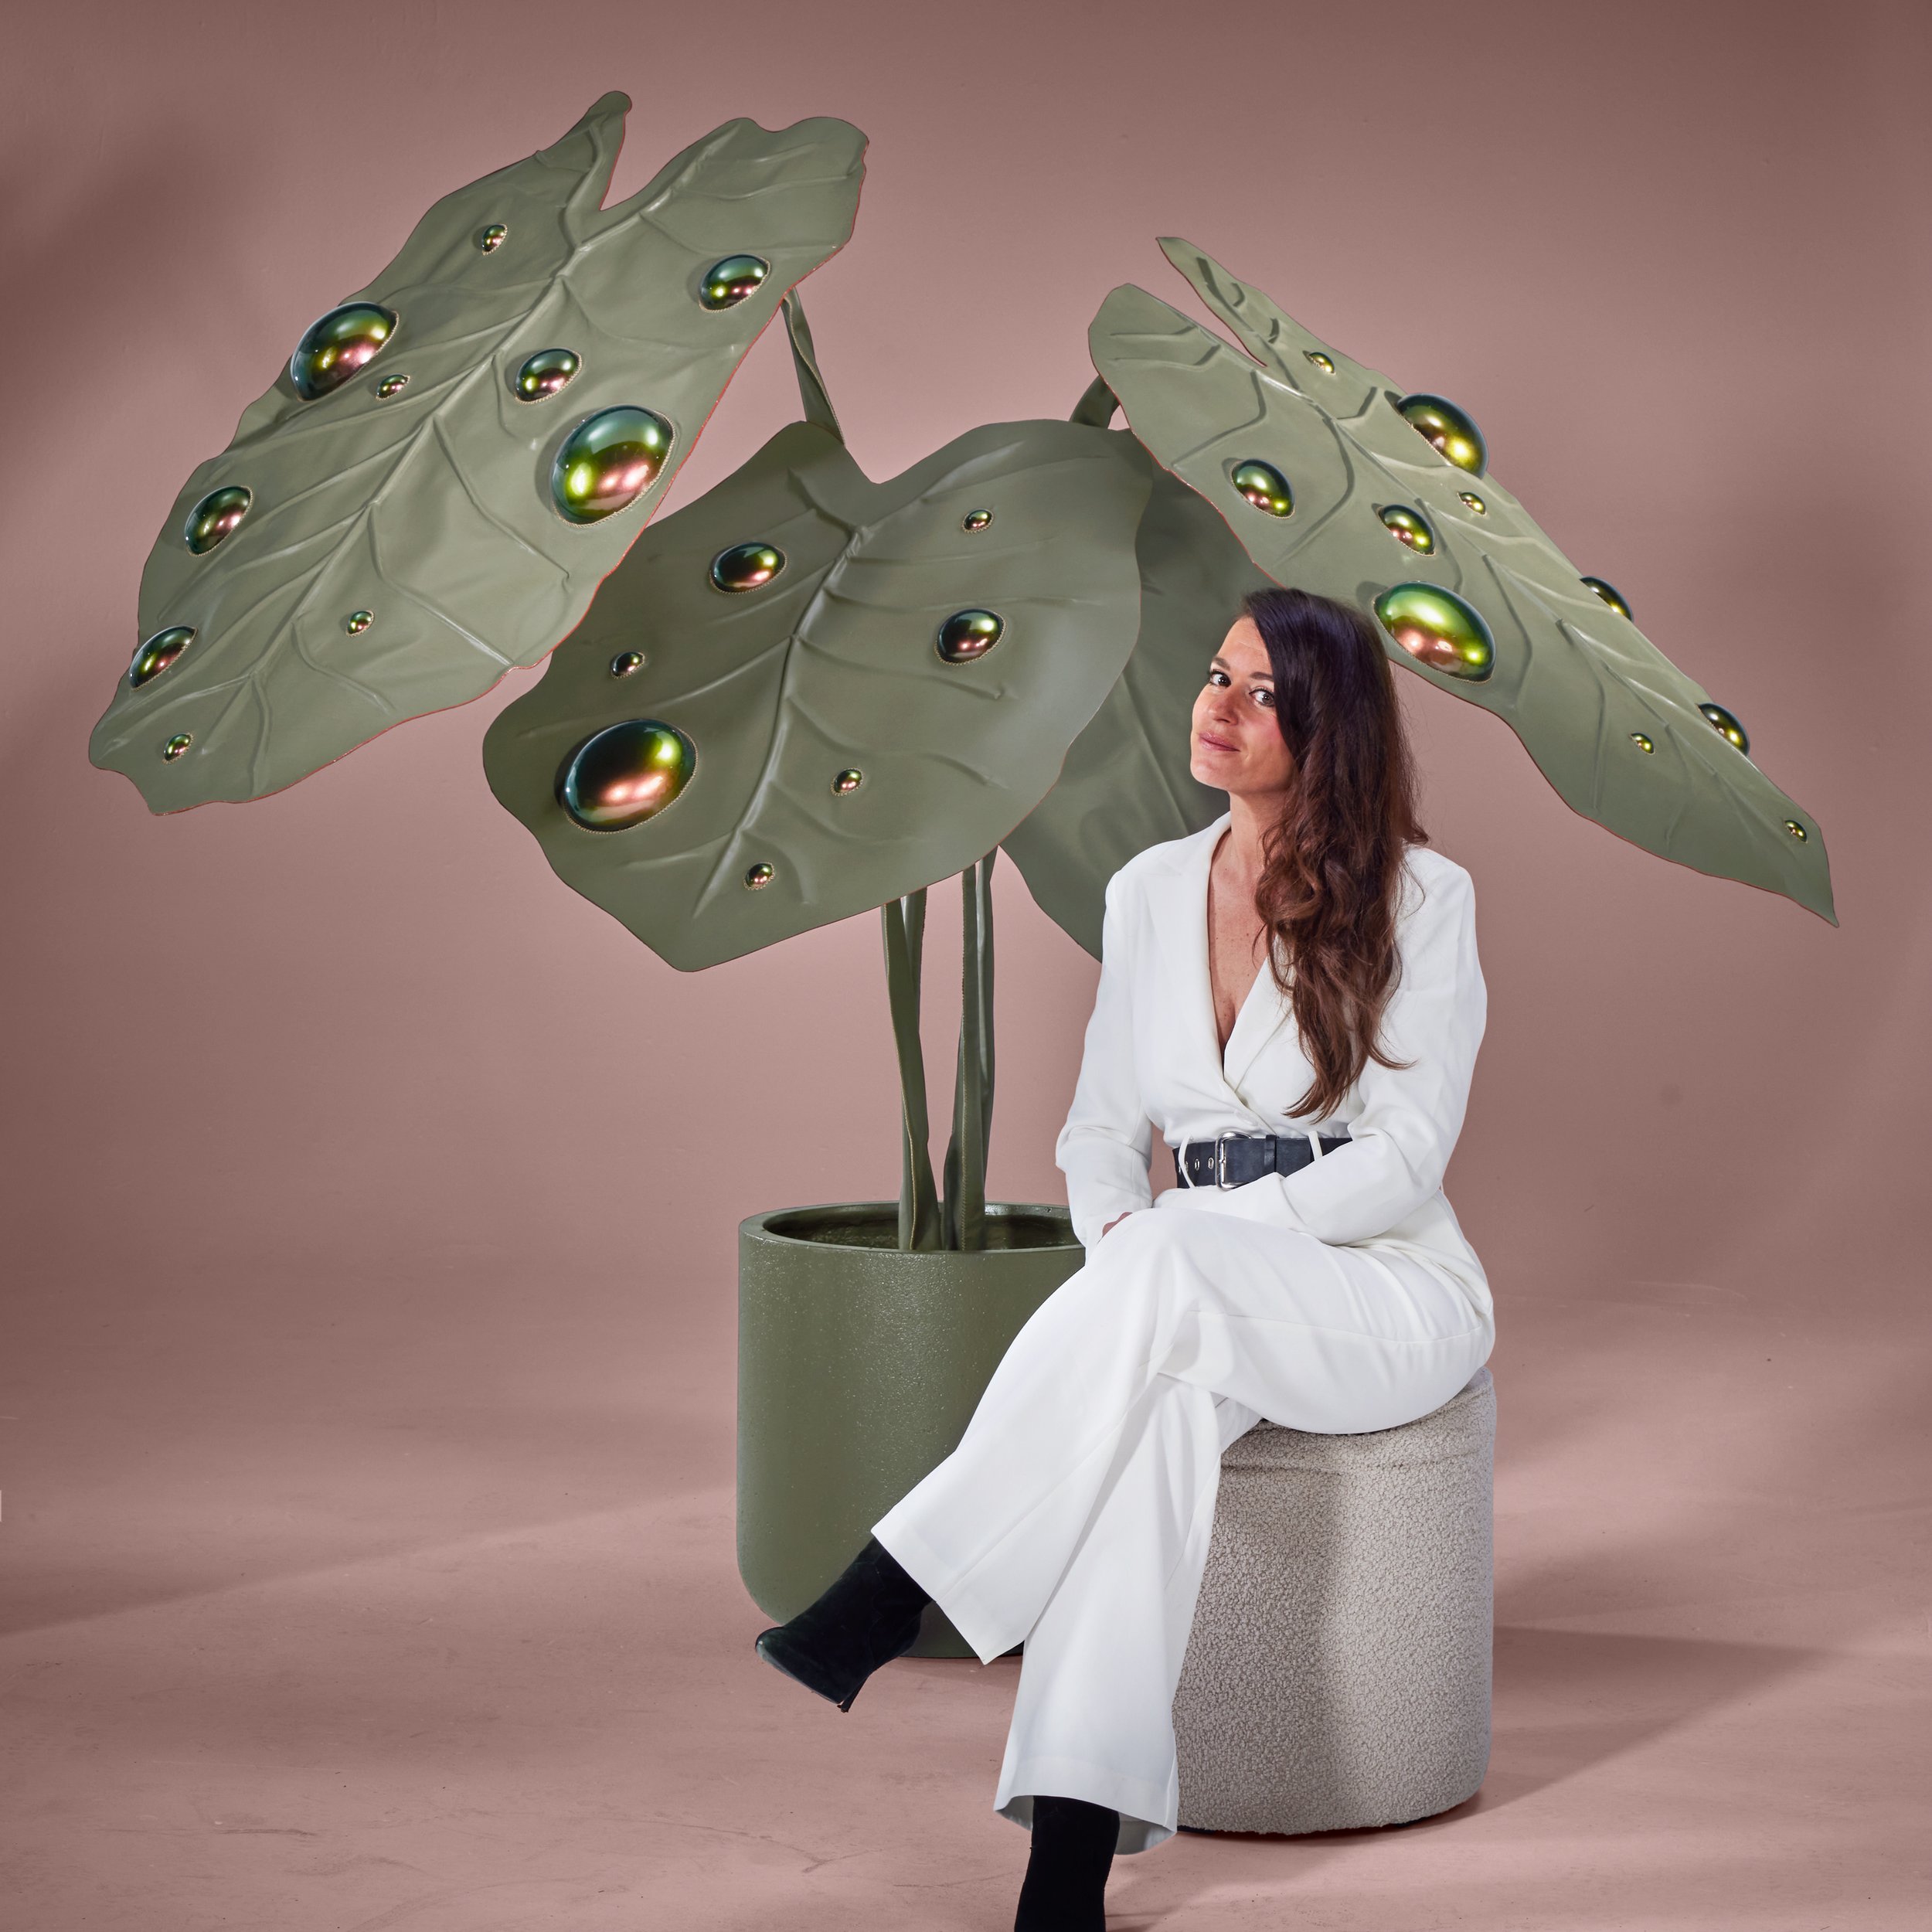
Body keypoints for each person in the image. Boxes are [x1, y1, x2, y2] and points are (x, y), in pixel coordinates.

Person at [754, 584, 1495, 1930]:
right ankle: (1067, 1870)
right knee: (1148, 1426)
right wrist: (1126, 1237)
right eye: (1216, 675)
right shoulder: (1150, 888)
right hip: (1189, 1285)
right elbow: (1101, 1132)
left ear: (1328, 728)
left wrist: (1184, 1244)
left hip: (1382, 1285)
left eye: (1260, 692)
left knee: (1161, 1278)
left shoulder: (1423, 897)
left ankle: (894, 1588)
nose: (1216, 706)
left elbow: (1404, 1158)